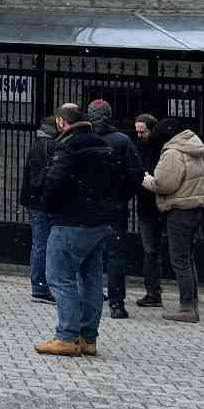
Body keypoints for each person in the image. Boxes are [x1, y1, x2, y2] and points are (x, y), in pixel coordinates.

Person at [35, 103, 121, 357]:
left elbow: (54, 182)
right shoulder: (104, 145)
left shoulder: (69, 146)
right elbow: (120, 182)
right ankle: (87, 338)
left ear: (62, 122)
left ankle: (67, 336)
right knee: (91, 280)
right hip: (100, 222)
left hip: (71, 221)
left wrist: (49, 205)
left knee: (60, 278)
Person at [144, 118, 204, 324]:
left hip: (180, 210)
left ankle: (187, 307)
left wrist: (148, 180)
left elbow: (165, 184)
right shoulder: (193, 149)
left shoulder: (173, 152)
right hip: (195, 208)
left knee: (179, 260)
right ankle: (192, 303)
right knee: (188, 259)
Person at [86, 100, 142, 319]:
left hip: (87, 206)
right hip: (115, 206)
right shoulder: (122, 141)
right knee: (115, 254)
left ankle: (90, 295)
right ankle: (117, 304)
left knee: (87, 251)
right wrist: (122, 195)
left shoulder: (83, 139)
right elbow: (136, 174)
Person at [20, 116, 60, 302]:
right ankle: (40, 287)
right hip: (41, 202)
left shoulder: (39, 144)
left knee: (40, 243)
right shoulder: (49, 146)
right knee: (42, 245)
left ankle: (40, 286)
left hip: (34, 201)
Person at [132, 113, 166, 307]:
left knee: (151, 250)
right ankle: (153, 291)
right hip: (148, 204)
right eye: (137, 131)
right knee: (152, 250)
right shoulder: (143, 147)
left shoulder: (159, 149)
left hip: (155, 203)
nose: (139, 135)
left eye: (142, 131)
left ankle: (154, 291)